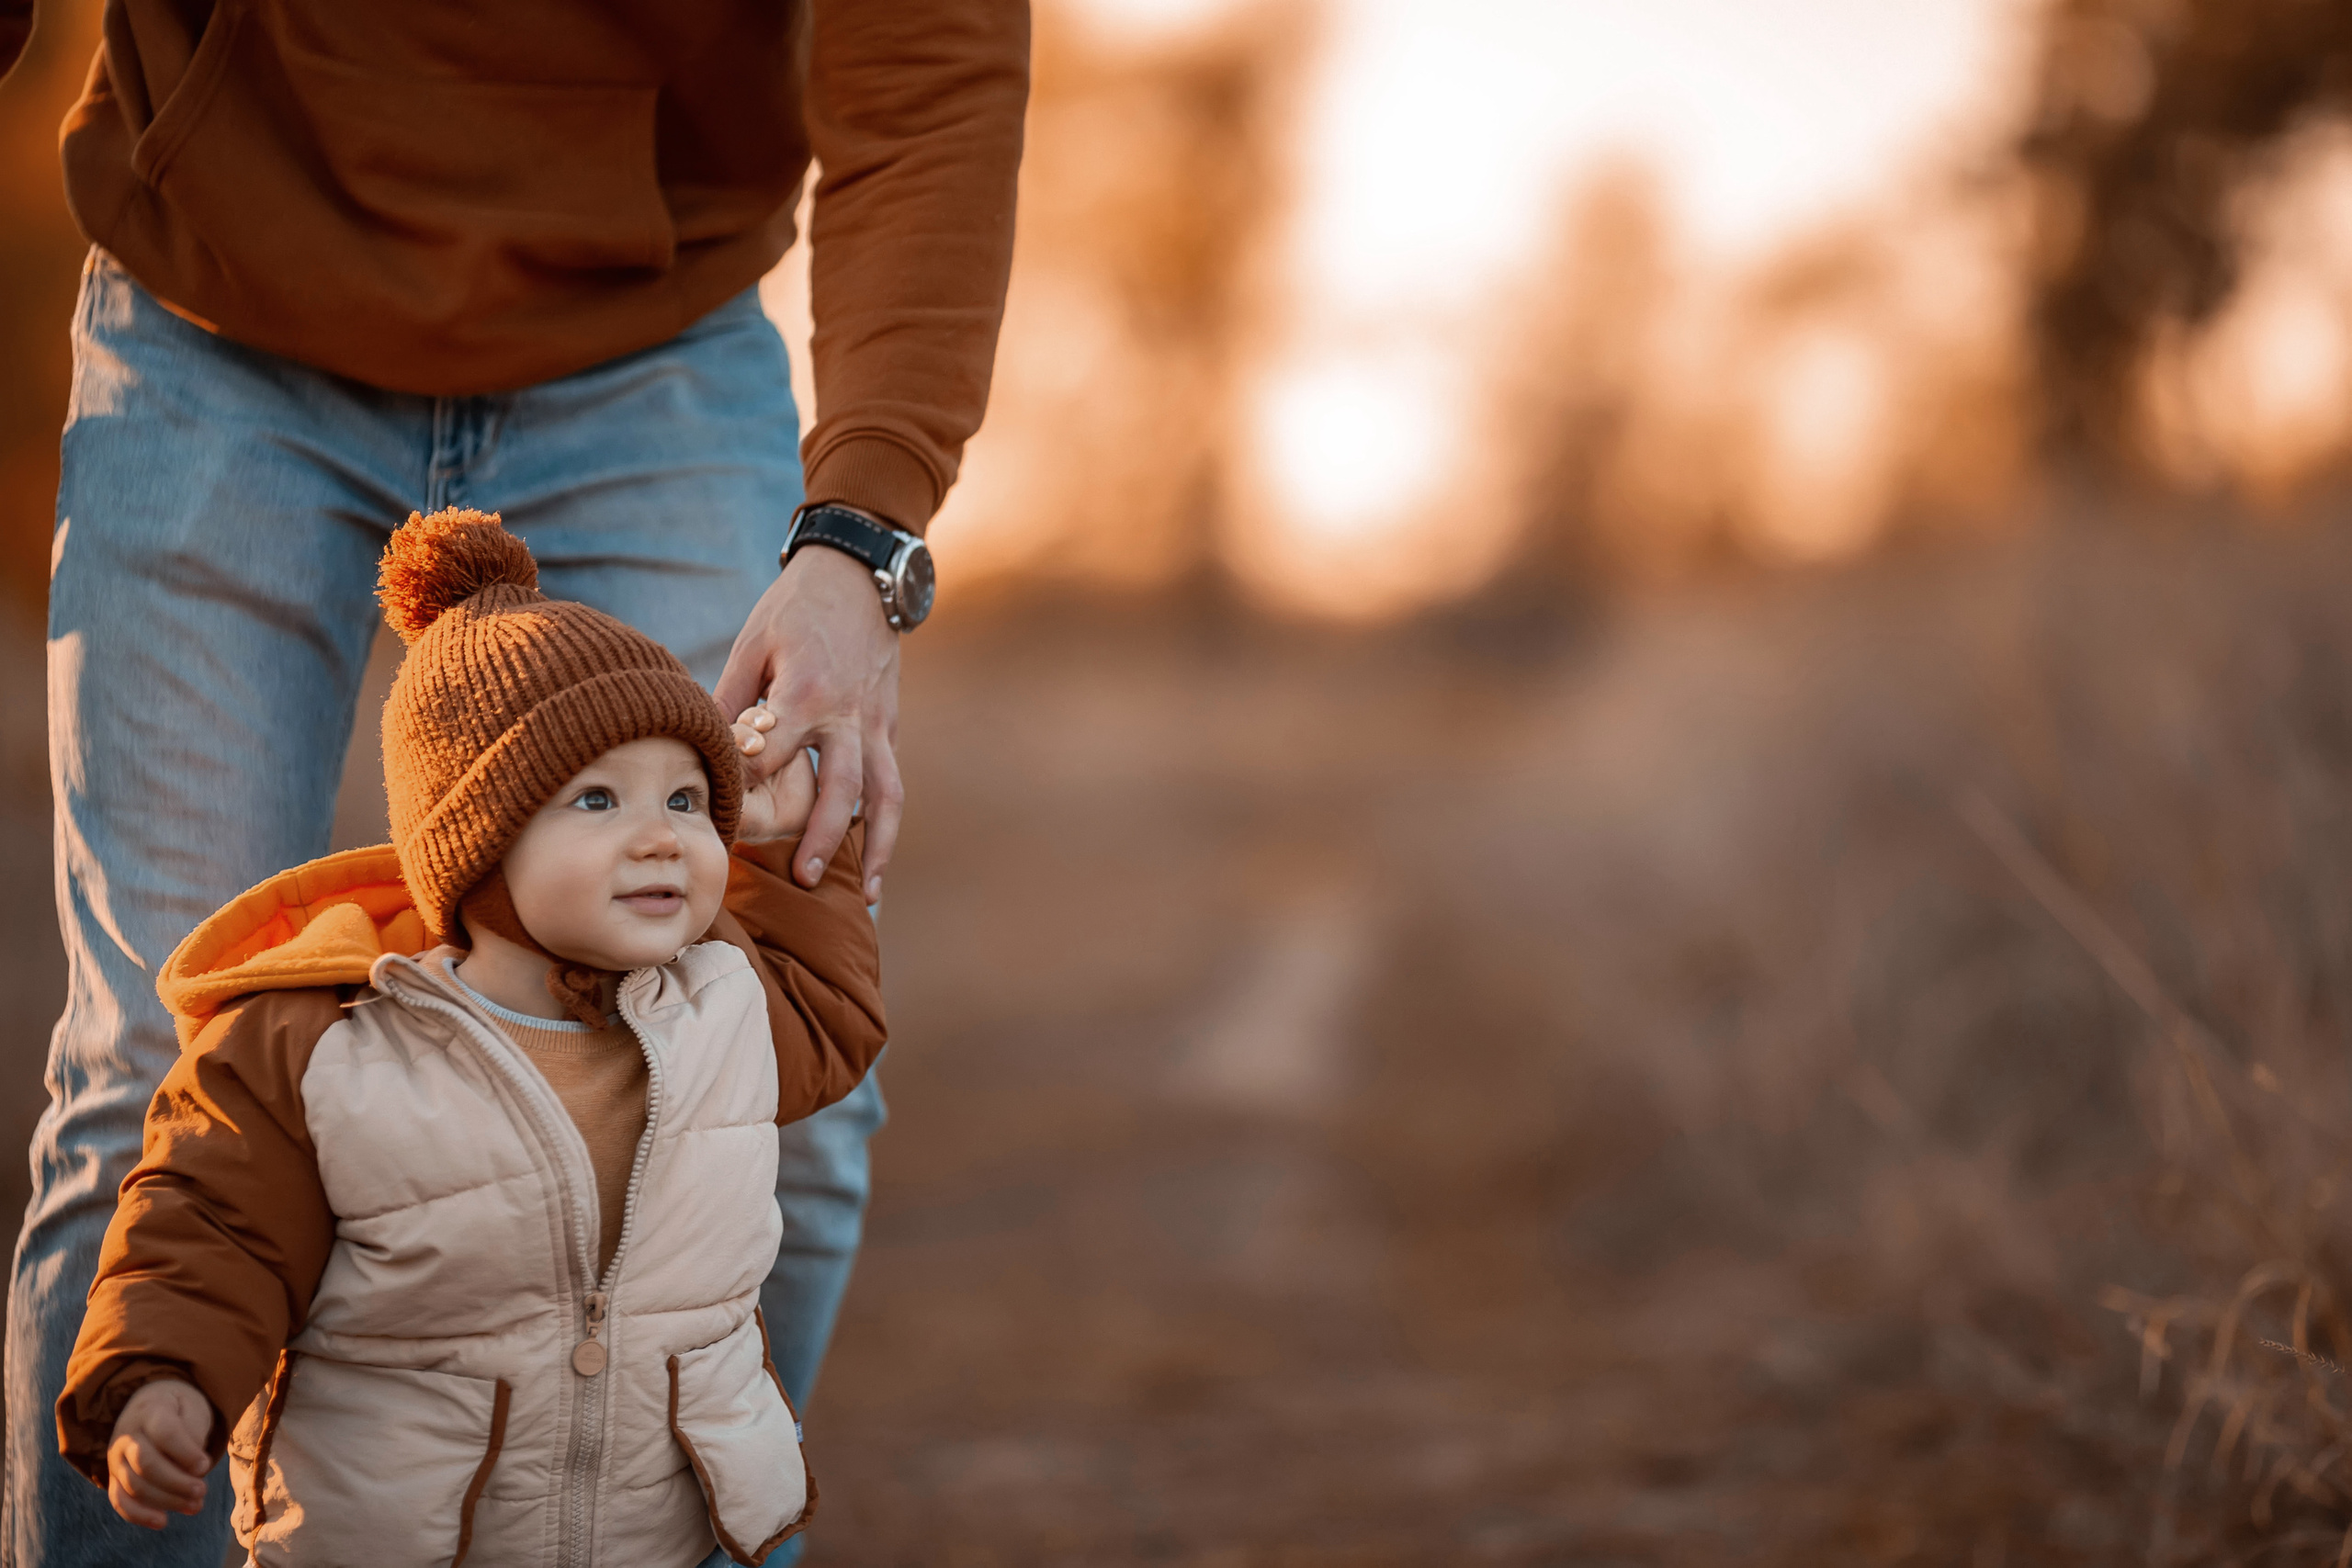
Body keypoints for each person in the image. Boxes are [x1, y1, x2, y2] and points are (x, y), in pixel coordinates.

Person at [0, 2, 1026, 1563]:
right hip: (217, 316)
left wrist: (861, 540)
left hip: (654, 353)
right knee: (159, 1064)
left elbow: (934, 73)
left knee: (775, 1094)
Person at [64, 510, 886, 1567]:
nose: (661, 834)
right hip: (402, 1537)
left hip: (649, 1536)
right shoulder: (324, 1047)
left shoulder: (716, 1002)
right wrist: (164, 1375)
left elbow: (833, 1008)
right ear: (479, 843)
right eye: (596, 799)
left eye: (688, 798)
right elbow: (213, 1227)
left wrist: (776, 842)